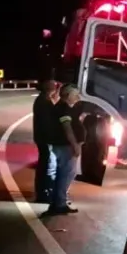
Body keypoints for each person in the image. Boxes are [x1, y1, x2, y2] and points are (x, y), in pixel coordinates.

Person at [47, 84, 85, 215]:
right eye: (75, 95)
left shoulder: (65, 107)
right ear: (68, 95)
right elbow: (67, 128)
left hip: (65, 145)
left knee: (66, 174)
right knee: (66, 174)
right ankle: (59, 204)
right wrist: (75, 145)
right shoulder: (63, 109)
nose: (78, 97)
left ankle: (58, 202)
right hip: (65, 146)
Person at [31, 80, 61, 203]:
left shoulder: (43, 100)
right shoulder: (44, 102)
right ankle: (44, 193)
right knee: (47, 165)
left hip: (42, 137)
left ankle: (43, 192)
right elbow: (51, 119)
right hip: (45, 138)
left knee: (44, 164)